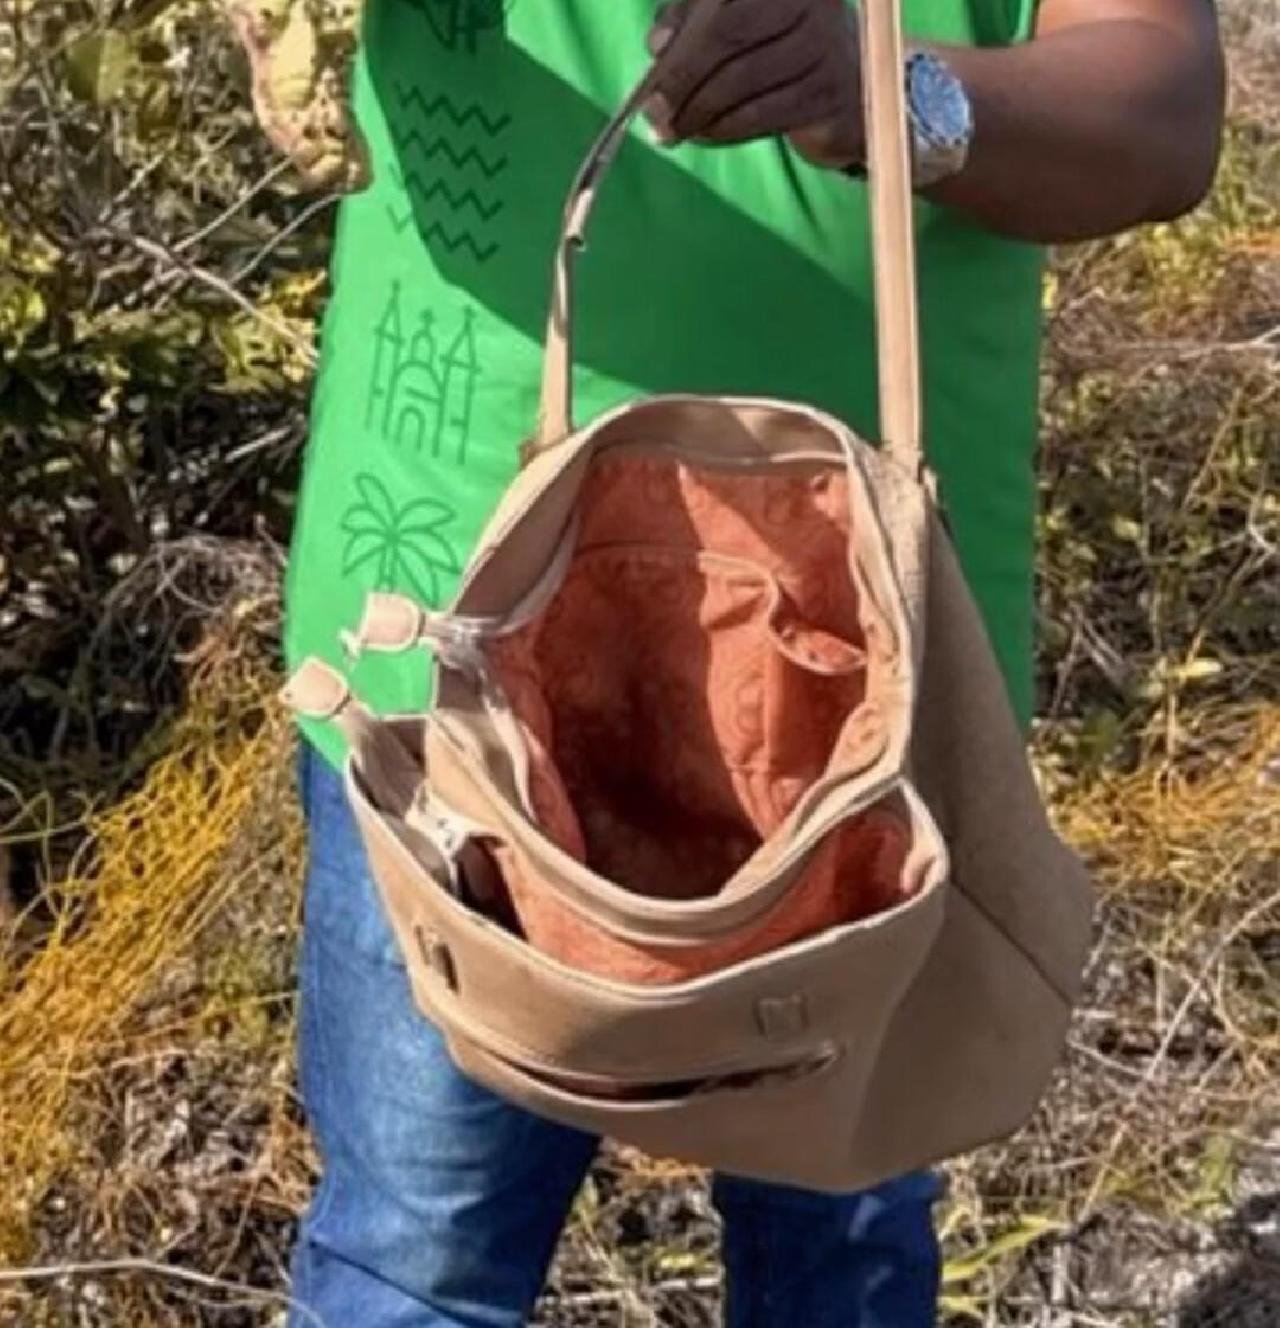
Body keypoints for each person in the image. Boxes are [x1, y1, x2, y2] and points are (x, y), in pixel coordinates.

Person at [282, 1, 1224, 1323]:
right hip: (458, 625)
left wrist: (898, 97)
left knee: (836, 1257)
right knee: (419, 1265)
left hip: (861, 641)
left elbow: (1163, 111)